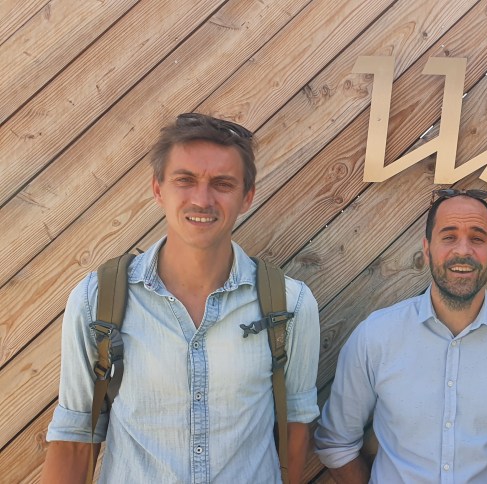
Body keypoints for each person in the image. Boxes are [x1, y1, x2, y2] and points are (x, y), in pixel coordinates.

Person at [42, 113, 321, 483]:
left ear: (248, 197)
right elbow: (75, 439)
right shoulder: (97, 300)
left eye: (222, 184)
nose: (202, 200)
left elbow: (295, 429)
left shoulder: (290, 304)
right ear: (158, 189)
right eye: (185, 180)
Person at [314, 189, 487, 484]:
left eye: (477, 238)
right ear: (427, 249)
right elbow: (336, 443)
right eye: (449, 236)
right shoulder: (376, 336)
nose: (463, 250)